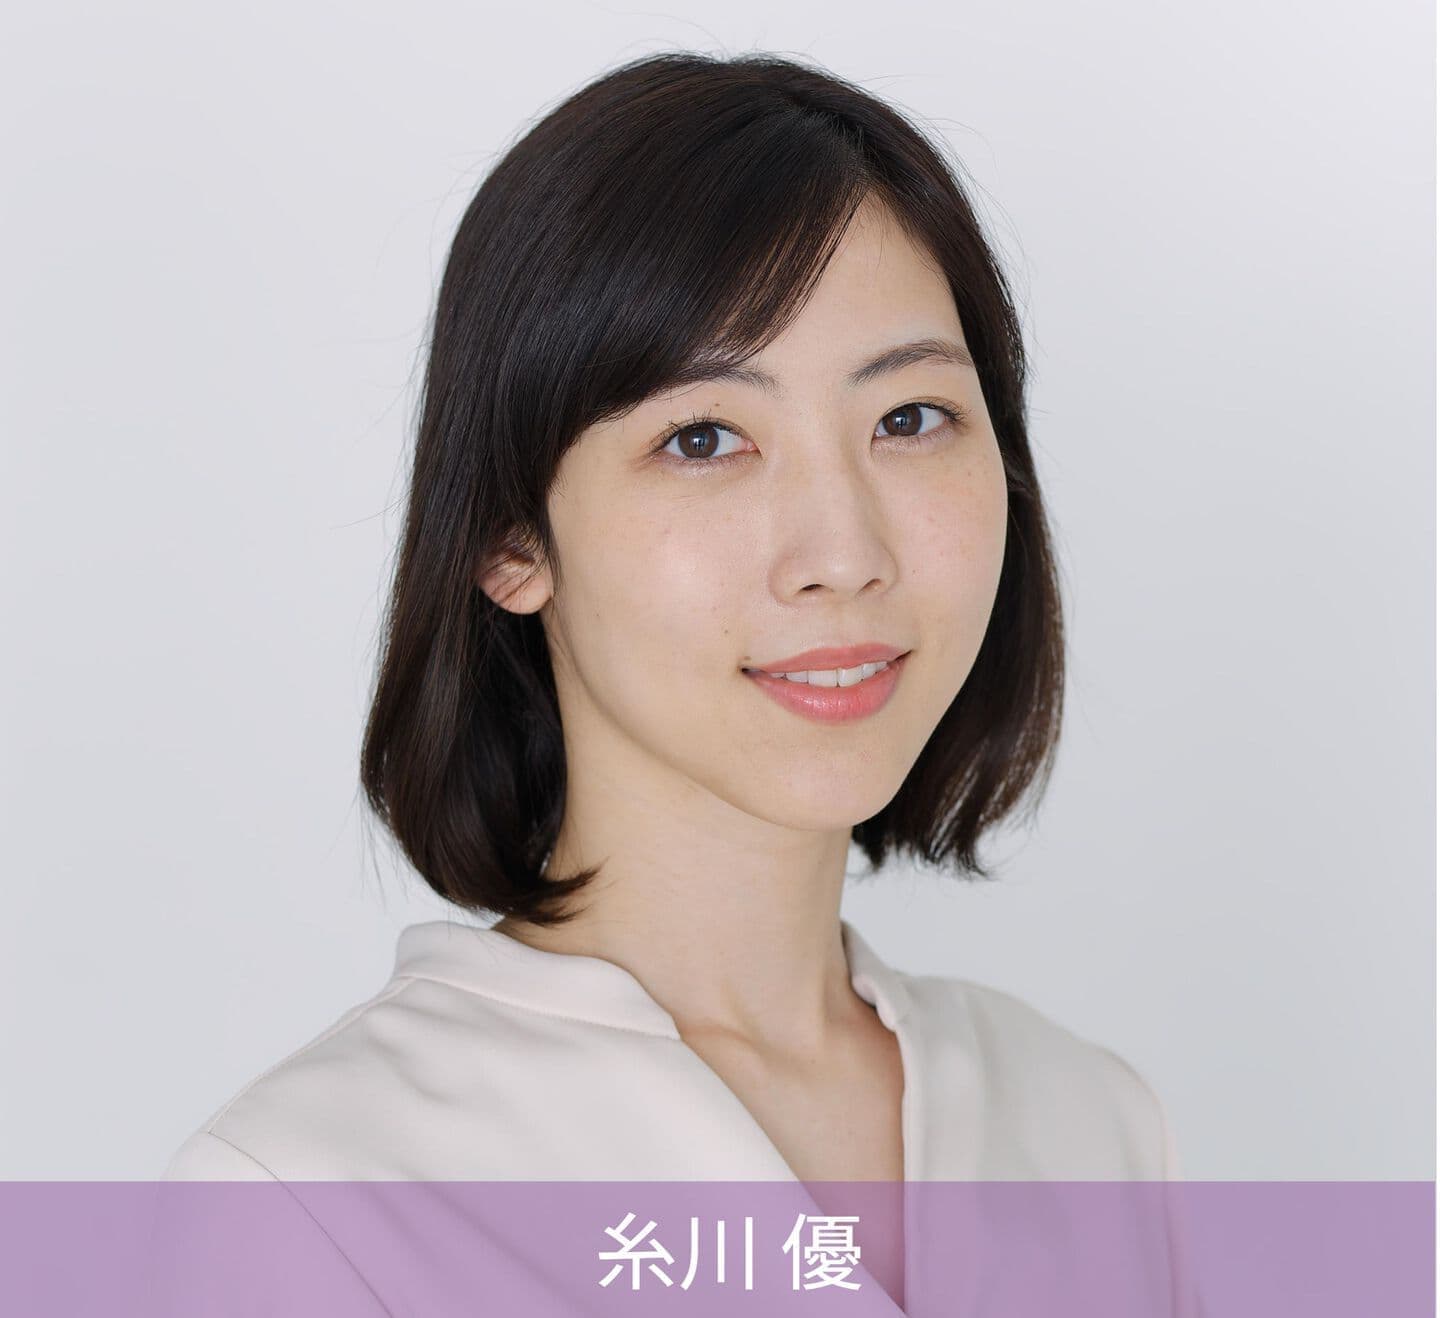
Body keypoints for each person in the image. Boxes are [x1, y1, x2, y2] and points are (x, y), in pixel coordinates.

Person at [160, 51, 1199, 1317]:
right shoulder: (314, 1204)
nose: (843, 554)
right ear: (509, 539)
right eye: (704, 438)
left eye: (909, 418)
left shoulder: (1089, 1128)